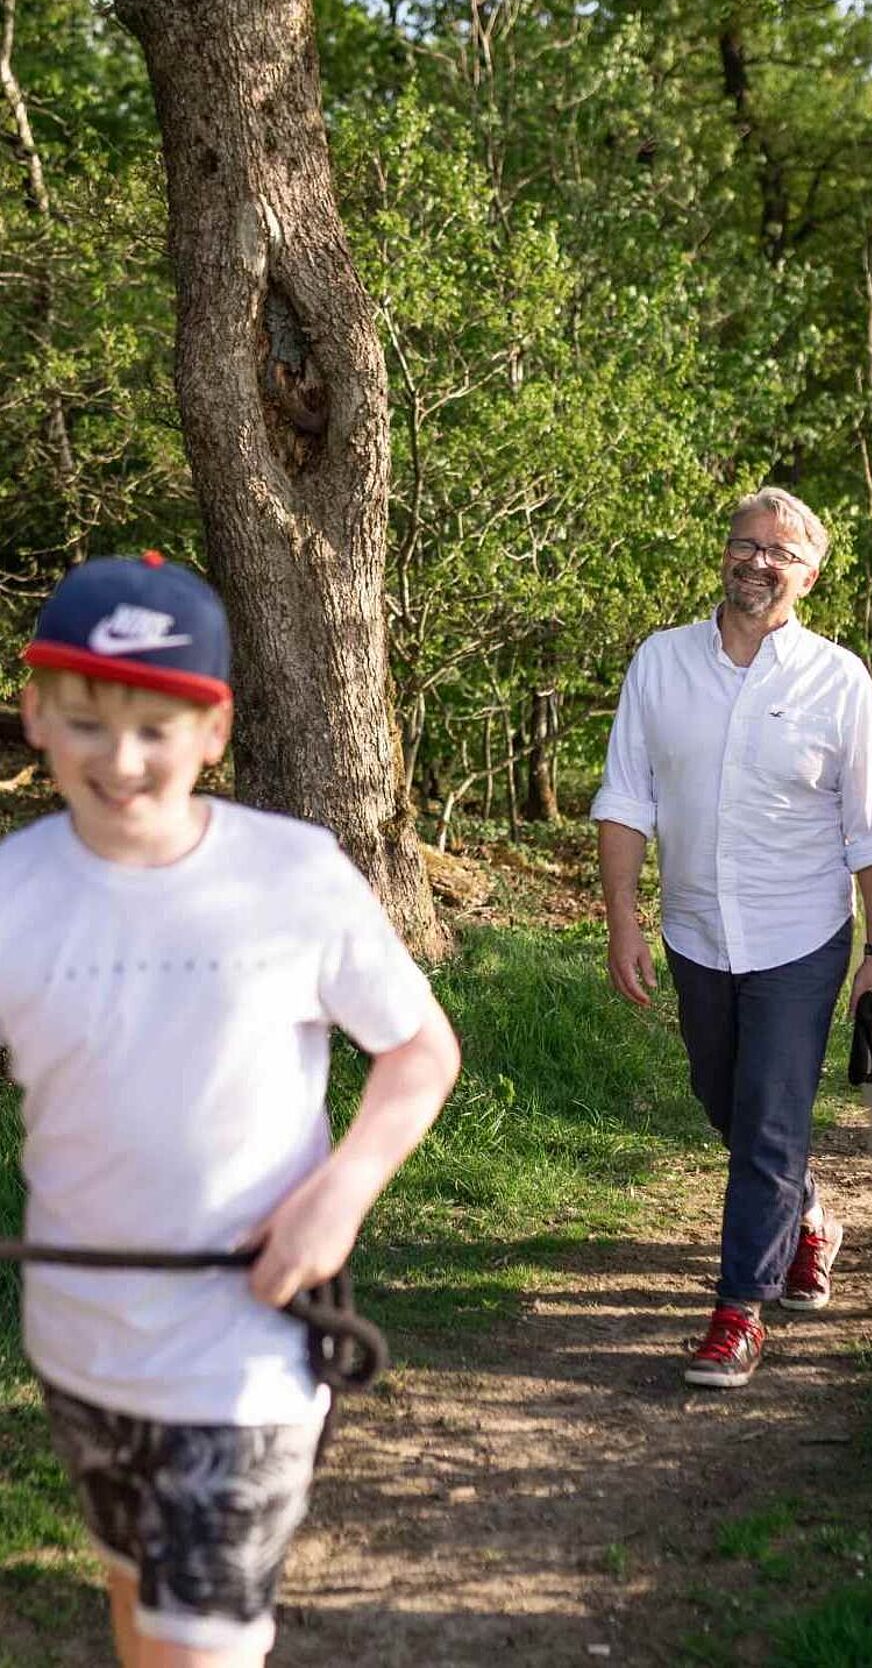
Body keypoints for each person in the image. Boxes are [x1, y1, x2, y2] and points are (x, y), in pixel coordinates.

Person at [1, 552, 461, 1667]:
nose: (123, 759)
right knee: (133, 1599)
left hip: (246, 1347)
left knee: (196, 1649)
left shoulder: (293, 874)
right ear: (35, 716)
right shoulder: (14, 891)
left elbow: (416, 1048)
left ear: (214, 730)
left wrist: (337, 1196)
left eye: (158, 727)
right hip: (79, 1340)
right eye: (87, 721)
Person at [592, 489, 872, 1388]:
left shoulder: (838, 680)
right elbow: (625, 798)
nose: (758, 561)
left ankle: (739, 1309)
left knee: (768, 1119)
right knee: (724, 1099)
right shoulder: (660, 662)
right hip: (695, 932)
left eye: (780, 552)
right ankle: (806, 1216)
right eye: (745, 544)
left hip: (800, 937)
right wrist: (623, 916)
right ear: (724, 555)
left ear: (809, 575)